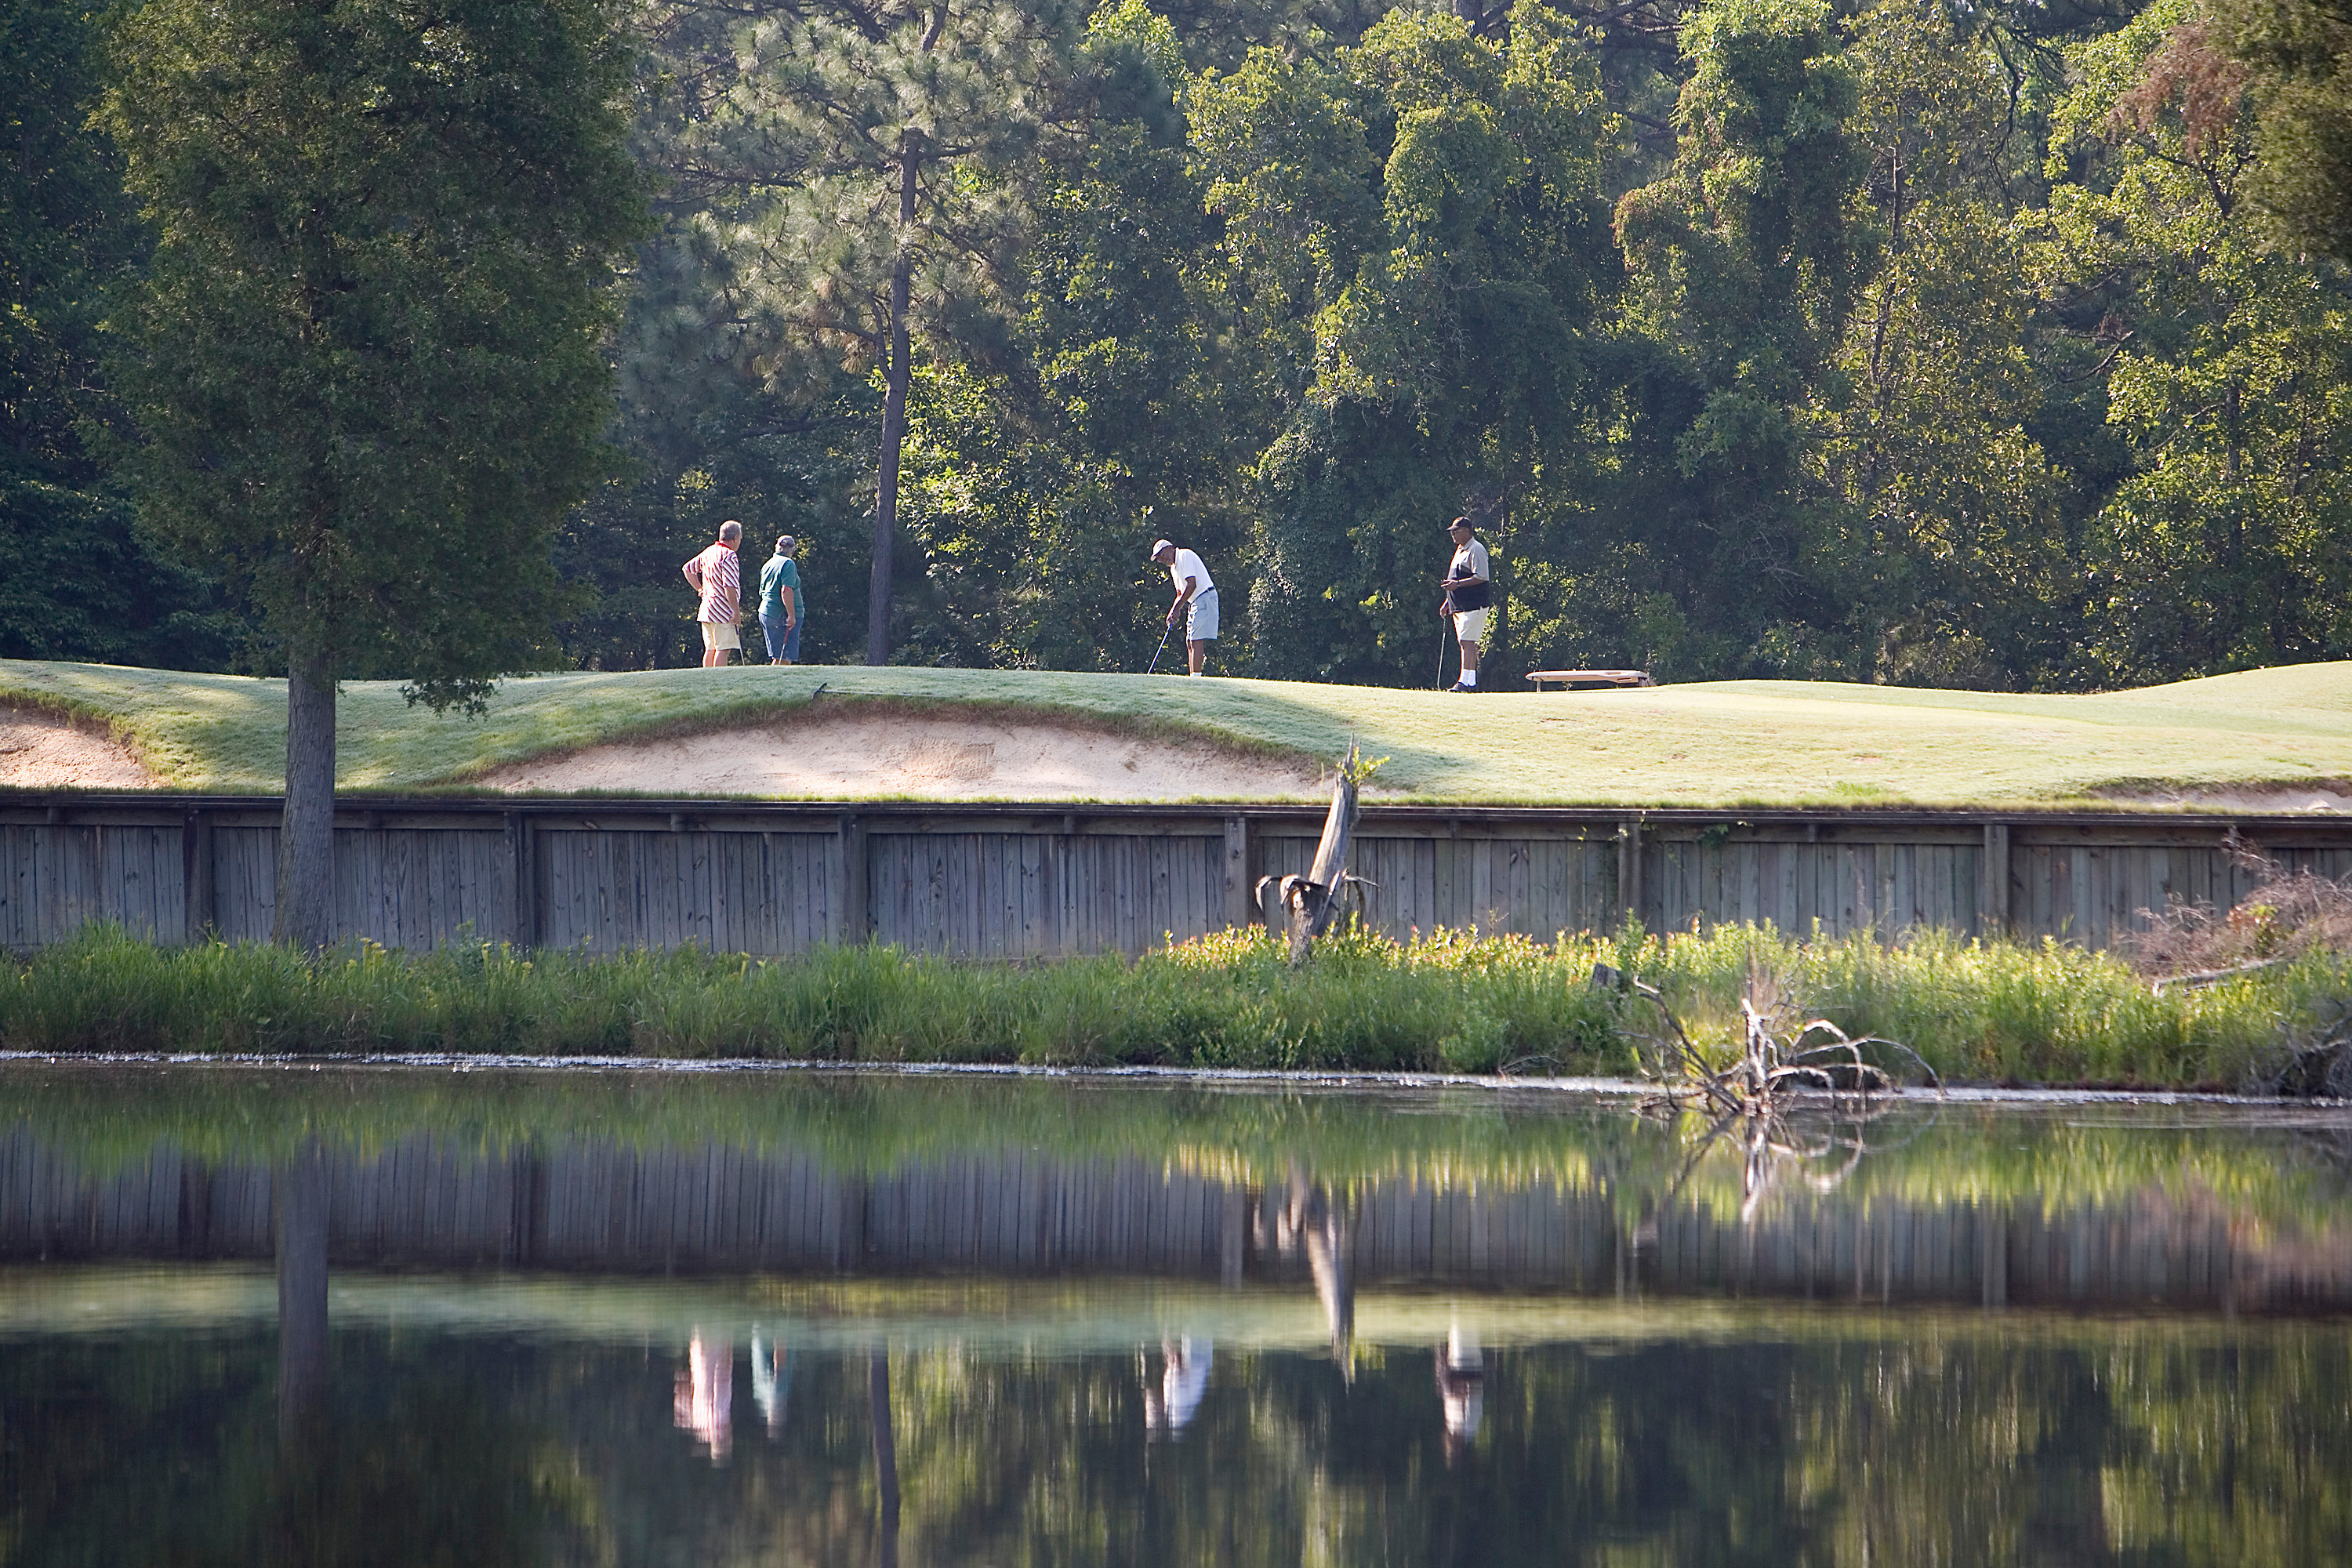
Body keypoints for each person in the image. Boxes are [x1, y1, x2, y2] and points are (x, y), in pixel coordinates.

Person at [1149, 538, 1218, 677]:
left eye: (1161, 555)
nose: (1161, 559)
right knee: (1189, 641)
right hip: (1195, 601)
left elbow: (1192, 585)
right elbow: (1180, 593)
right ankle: (1193, 676)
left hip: (1205, 597)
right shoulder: (1173, 568)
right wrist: (1173, 611)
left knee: (1196, 639)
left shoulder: (1184, 555)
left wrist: (1177, 609)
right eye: (1158, 559)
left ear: (1170, 548)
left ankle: (1196, 678)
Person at [1439, 516, 1491, 692]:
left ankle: (1465, 681)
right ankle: (1469, 682)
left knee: (1467, 641)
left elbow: (1481, 576)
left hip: (1474, 604)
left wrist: (1458, 586)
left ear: (1467, 531)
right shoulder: (1460, 550)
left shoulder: (1476, 549)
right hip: (1459, 606)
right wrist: (1449, 600)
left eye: (1456, 531)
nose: (1453, 535)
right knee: (1465, 642)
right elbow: (1456, 577)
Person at [682, 520, 743, 667]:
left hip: (707, 608)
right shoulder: (729, 555)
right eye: (740, 539)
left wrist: (700, 589)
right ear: (735, 538)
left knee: (710, 649)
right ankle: (719, 682)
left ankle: (707, 682)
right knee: (723, 649)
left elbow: (688, 569)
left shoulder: (709, 551)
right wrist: (736, 611)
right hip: (723, 609)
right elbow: (729, 586)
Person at [758, 534, 802, 666]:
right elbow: (786, 590)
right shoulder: (788, 563)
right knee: (783, 657)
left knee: (779, 656)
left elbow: (762, 591)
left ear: (777, 547)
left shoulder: (768, 564)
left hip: (767, 612)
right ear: (793, 551)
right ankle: (773, 684)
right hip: (780, 615)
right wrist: (791, 615)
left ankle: (776, 683)